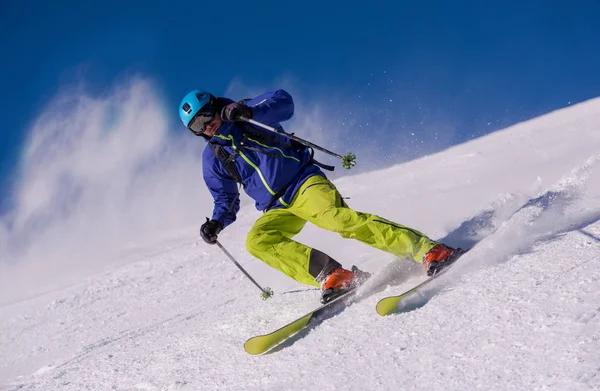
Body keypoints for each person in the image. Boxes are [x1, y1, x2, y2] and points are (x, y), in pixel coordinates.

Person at [179, 89, 460, 303]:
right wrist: (216, 222)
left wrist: (245, 113)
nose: (205, 127)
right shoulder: (213, 158)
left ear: (214, 106)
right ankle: (333, 275)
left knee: (338, 220)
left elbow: (283, 102)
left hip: (303, 182)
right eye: (196, 127)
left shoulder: (245, 113)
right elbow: (225, 199)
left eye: (205, 117)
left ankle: (428, 249)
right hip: (276, 206)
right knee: (257, 241)